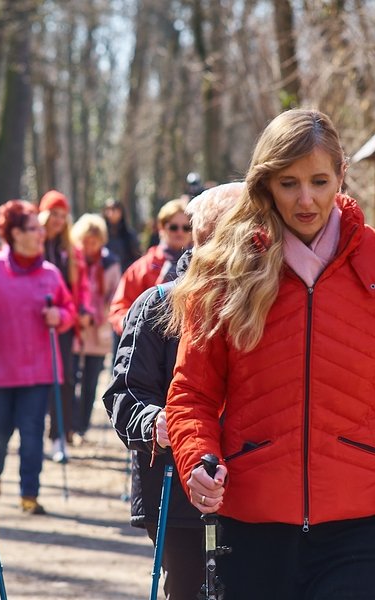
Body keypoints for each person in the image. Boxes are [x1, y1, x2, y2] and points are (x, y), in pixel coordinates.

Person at [164, 108, 375, 600]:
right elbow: (192, 393)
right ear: (266, 184)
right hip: (252, 520)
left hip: (362, 525)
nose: (306, 200)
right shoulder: (223, 268)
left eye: (319, 181)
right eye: (289, 183)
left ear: (342, 175)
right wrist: (197, 459)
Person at [103, 182, 243, 600]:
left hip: (257, 492)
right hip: (176, 489)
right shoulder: (158, 304)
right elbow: (124, 393)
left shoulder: (274, 304)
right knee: (190, 589)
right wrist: (154, 422)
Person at [0, 199, 76, 515]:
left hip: (39, 372)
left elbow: (68, 310)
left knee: (32, 434)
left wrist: (59, 316)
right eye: (33, 229)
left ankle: (30, 493)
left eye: (41, 230)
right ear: (15, 233)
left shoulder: (50, 274)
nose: (41, 234)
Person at [38, 189, 90, 462]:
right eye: (54, 214)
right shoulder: (34, 243)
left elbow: (82, 285)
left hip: (65, 322)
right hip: (37, 321)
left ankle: (59, 434)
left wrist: (83, 311)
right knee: (39, 378)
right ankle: (35, 432)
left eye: (62, 215)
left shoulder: (72, 250)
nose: (58, 220)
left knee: (66, 377)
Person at [70, 213, 121, 442]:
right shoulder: (72, 260)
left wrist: (99, 312)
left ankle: (82, 426)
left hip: (98, 331)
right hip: (75, 327)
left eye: (94, 241)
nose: (90, 246)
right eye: (86, 241)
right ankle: (69, 425)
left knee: (90, 382)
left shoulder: (110, 263)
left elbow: (116, 294)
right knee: (71, 379)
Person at [108, 198, 190, 336]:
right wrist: (135, 329)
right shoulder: (142, 268)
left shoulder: (200, 266)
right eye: (174, 227)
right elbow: (119, 309)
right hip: (152, 344)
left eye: (186, 228)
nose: (180, 232)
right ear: (161, 228)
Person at [102, 197, 142, 272]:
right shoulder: (101, 235)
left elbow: (137, 259)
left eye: (114, 209)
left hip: (126, 275)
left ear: (121, 212)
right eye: (108, 210)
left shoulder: (129, 235)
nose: (111, 213)